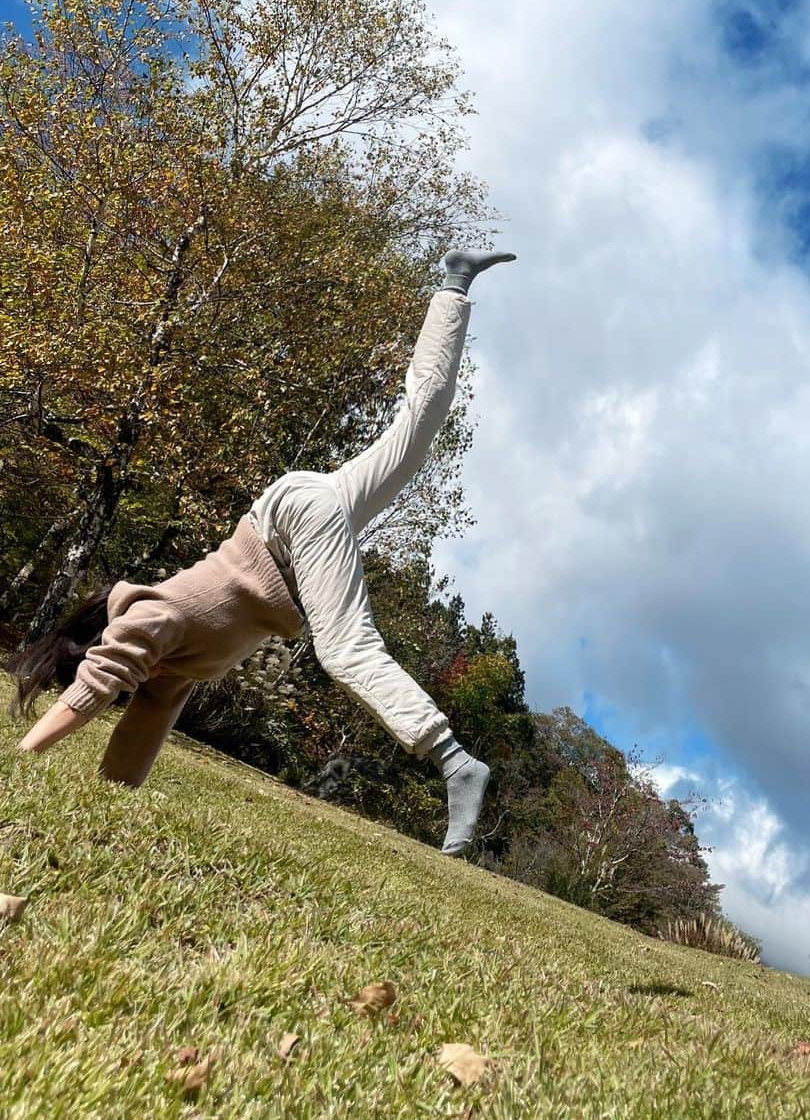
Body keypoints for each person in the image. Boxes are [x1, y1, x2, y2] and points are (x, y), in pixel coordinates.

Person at [6, 248, 515, 857]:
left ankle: (454, 761)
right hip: (302, 517)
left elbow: (94, 685)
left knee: (344, 649)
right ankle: (454, 284)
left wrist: (20, 762)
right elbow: (141, 734)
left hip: (288, 527)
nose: (119, 695)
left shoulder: (148, 617)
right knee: (419, 424)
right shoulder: (172, 671)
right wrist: (108, 804)